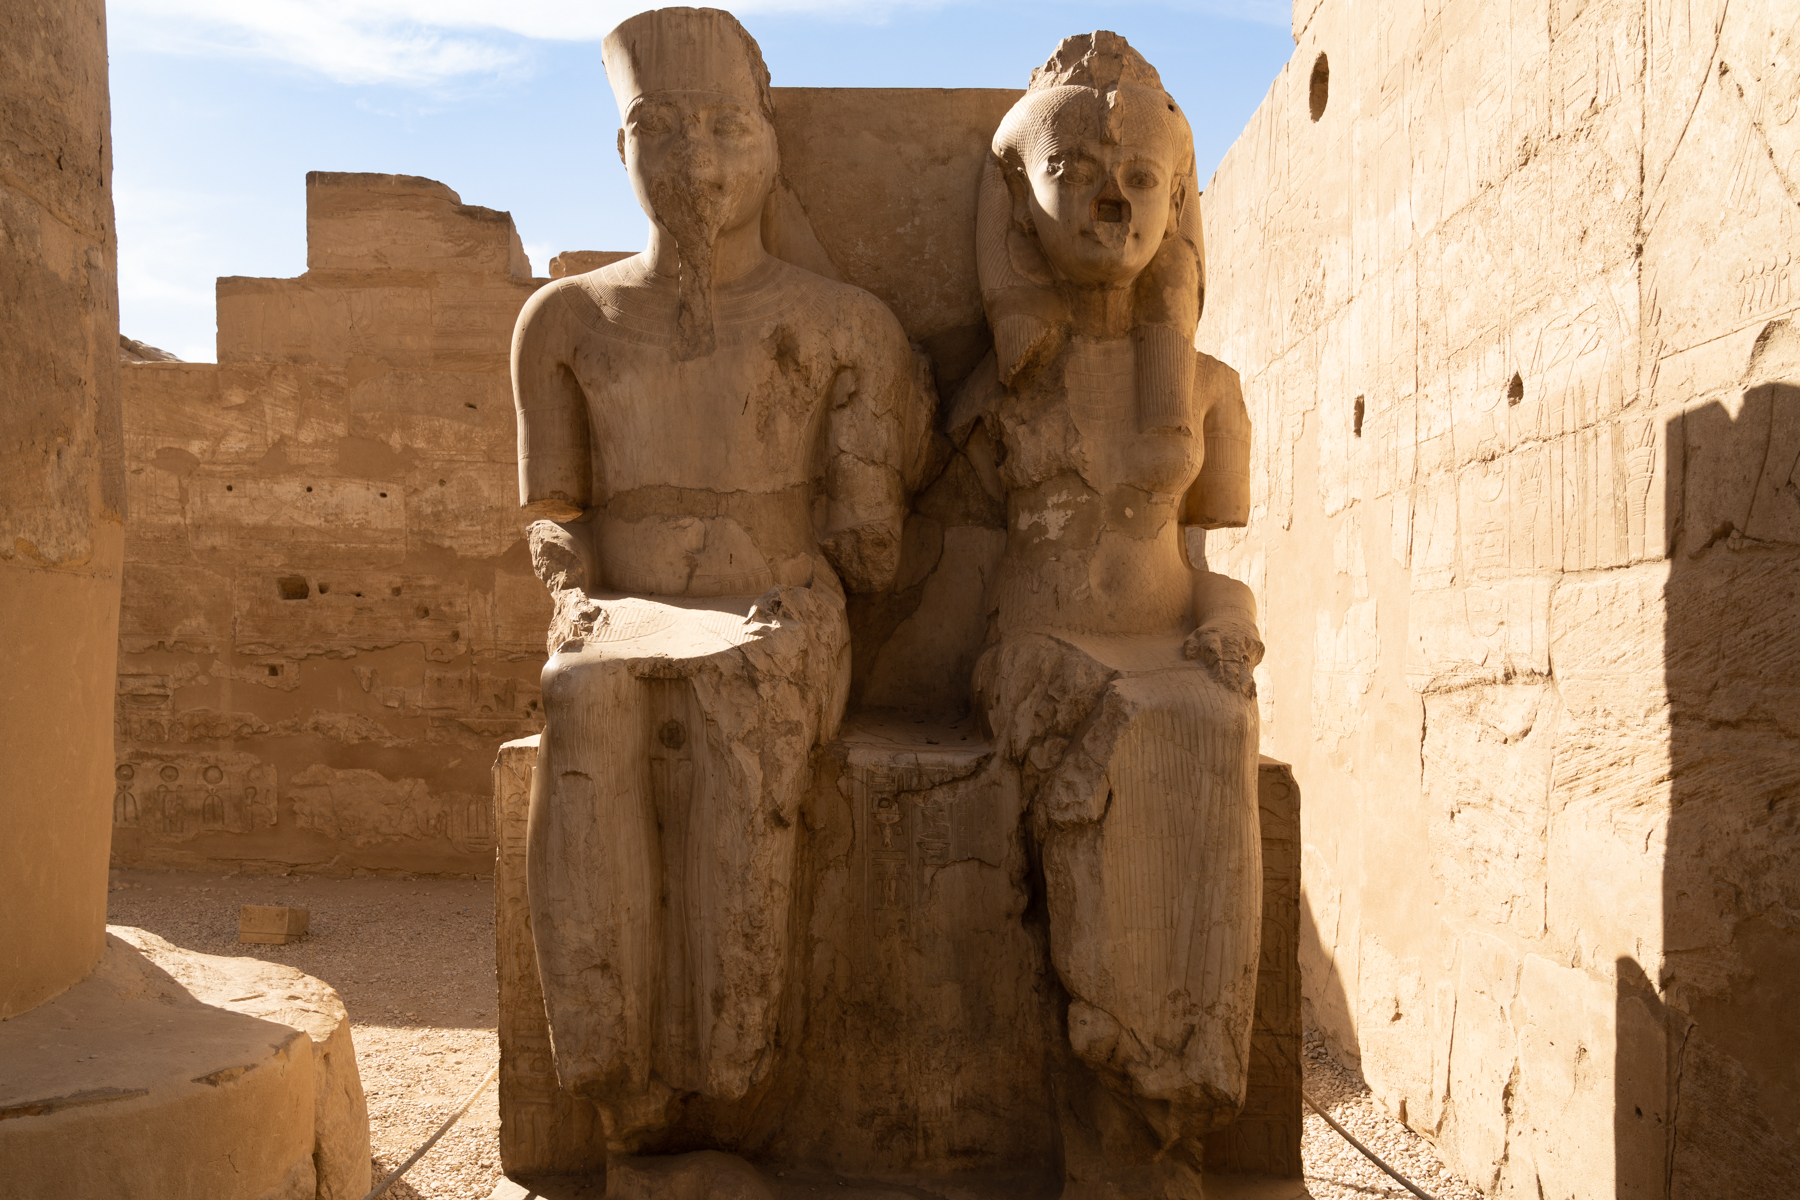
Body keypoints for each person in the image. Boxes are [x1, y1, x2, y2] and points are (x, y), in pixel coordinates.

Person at [509, 5, 928, 1147]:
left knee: (746, 694)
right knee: (579, 696)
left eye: (727, 129)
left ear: (772, 142)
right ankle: (613, 1076)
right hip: (624, 608)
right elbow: (556, 513)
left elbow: (871, 544)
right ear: (620, 148)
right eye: (663, 128)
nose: (696, 161)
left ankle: (723, 1074)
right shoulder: (564, 319)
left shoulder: (845, 325)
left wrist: (864, 472)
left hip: (777, 602)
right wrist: (571, 585)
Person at [961, 31, 1264, 1199]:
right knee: (1127, 725)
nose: (1112, 200)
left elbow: (1208, 564)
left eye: (1142, 180)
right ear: (1019, 200)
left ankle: (1168, 1094)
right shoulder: (1002, 385)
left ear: (1179, 201)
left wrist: (1231, 618)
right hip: (1037, 652)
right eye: (1077, 173)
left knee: (1209, 727)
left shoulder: (1207, 391)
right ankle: (1114, 1080)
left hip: (1160, 647)